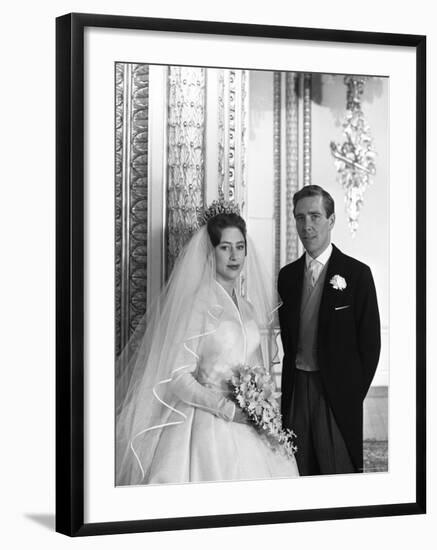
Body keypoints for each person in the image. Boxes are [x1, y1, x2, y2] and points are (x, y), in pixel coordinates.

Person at [116, 201, 299, 485]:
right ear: (210, 252)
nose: (233, 255)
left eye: (239, 247)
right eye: (224, 247)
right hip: (206, 425)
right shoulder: (197, 304)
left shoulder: (248, 307)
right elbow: (178, 377)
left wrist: (260, 406)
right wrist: (227, 409)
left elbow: (255, 368)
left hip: (249, 420)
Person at [277, 185, 381, 475]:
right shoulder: (287, 277)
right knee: (297, 469)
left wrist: (350, 392)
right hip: (297, 389)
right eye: (299, 218)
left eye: (315, 216)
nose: (306, 226)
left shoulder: (357, 274)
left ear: (331, 220)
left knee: (338, 472)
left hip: (336, 391)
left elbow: (371, 344)